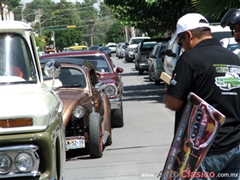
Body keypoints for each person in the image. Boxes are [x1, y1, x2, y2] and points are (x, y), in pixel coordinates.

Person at [164, 13, 240, 180]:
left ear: (189, 35)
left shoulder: (189, 59)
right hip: (234, 146)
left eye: (181, 41)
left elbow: (173, 103)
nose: (182, 46)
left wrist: (169, 91)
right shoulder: (234, 59)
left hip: (201, 151)